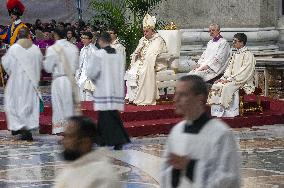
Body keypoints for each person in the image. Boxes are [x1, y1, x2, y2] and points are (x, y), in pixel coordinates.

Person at [161, 75, 241, 188]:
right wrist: (175, 171)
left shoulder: (221, 134)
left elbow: (230, 178)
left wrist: (190, 167)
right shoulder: (176, 131)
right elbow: (165, 173)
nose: (175, 99)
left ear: (200, 98)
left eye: (183, 94)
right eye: (176, 93)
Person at [86, 32, 130, 150]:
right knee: (108, 115)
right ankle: (102, 139)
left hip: (104, 88)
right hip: (115, 89)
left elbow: (91, 72)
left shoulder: (99, 54)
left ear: (101, 41)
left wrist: (95, 81)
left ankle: (116, 140)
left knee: (107, 115)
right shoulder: (118, 55)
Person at [54, 116, 122, 188]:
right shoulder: (71, 168)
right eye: (64, 136)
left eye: (69, 137)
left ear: (85, 142)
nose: (63, 141)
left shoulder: (102, 176)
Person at [2, 27, 43, 141]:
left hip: (17, 82)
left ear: (18, 36)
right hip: (31, 82)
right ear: (29, 36)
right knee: (28, 106)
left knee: (16, 105)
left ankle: (21, 129)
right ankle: (24, 129)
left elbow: (6, 64)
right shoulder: (35, 49)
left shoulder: (14, 49)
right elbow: (39, 64)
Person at [207, 33, 256, 117]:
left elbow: (245, 71)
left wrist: (229, 79)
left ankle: (229, 112)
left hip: (243, 81)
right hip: (232, 79)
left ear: (242, 42)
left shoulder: (249, 55)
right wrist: (223, 78)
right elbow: (229, 69)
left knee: (226, 87)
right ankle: (217, 111)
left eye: (235, 41)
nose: (233, 43)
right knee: (216, 84)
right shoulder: (235, 54)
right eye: (233, 41)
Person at [125, 13, 167, 105]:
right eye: (144, 31)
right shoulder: (142, 39)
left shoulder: (158, 40)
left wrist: (144, 56)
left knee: (142, 72)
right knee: (130, 73)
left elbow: (153, 54)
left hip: (155, 63)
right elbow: (136, 52)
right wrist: (137, 53)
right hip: (141, 62)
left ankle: (142, 97)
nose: (145, 33)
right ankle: (132, 97)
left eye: (147, 31)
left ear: (152, 30)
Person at [43, 28, 79, 134]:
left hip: (59, 79)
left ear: (56, 35)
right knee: (70, 105)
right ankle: (71, 129)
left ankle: (60, 129)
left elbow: (48, 68)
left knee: (59, 105)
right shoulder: (74, 47)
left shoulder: (53, 48)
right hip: (71, 78)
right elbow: (77, 65)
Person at [76, 32, 97, 101]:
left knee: (89, 98)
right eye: (82, 38)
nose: (83, 40)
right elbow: (80, 64)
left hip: (89, 77)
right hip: (81, 76)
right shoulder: (82, 49)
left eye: (85, 38)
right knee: (81, 97)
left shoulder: (94, 49)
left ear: (90, 39)